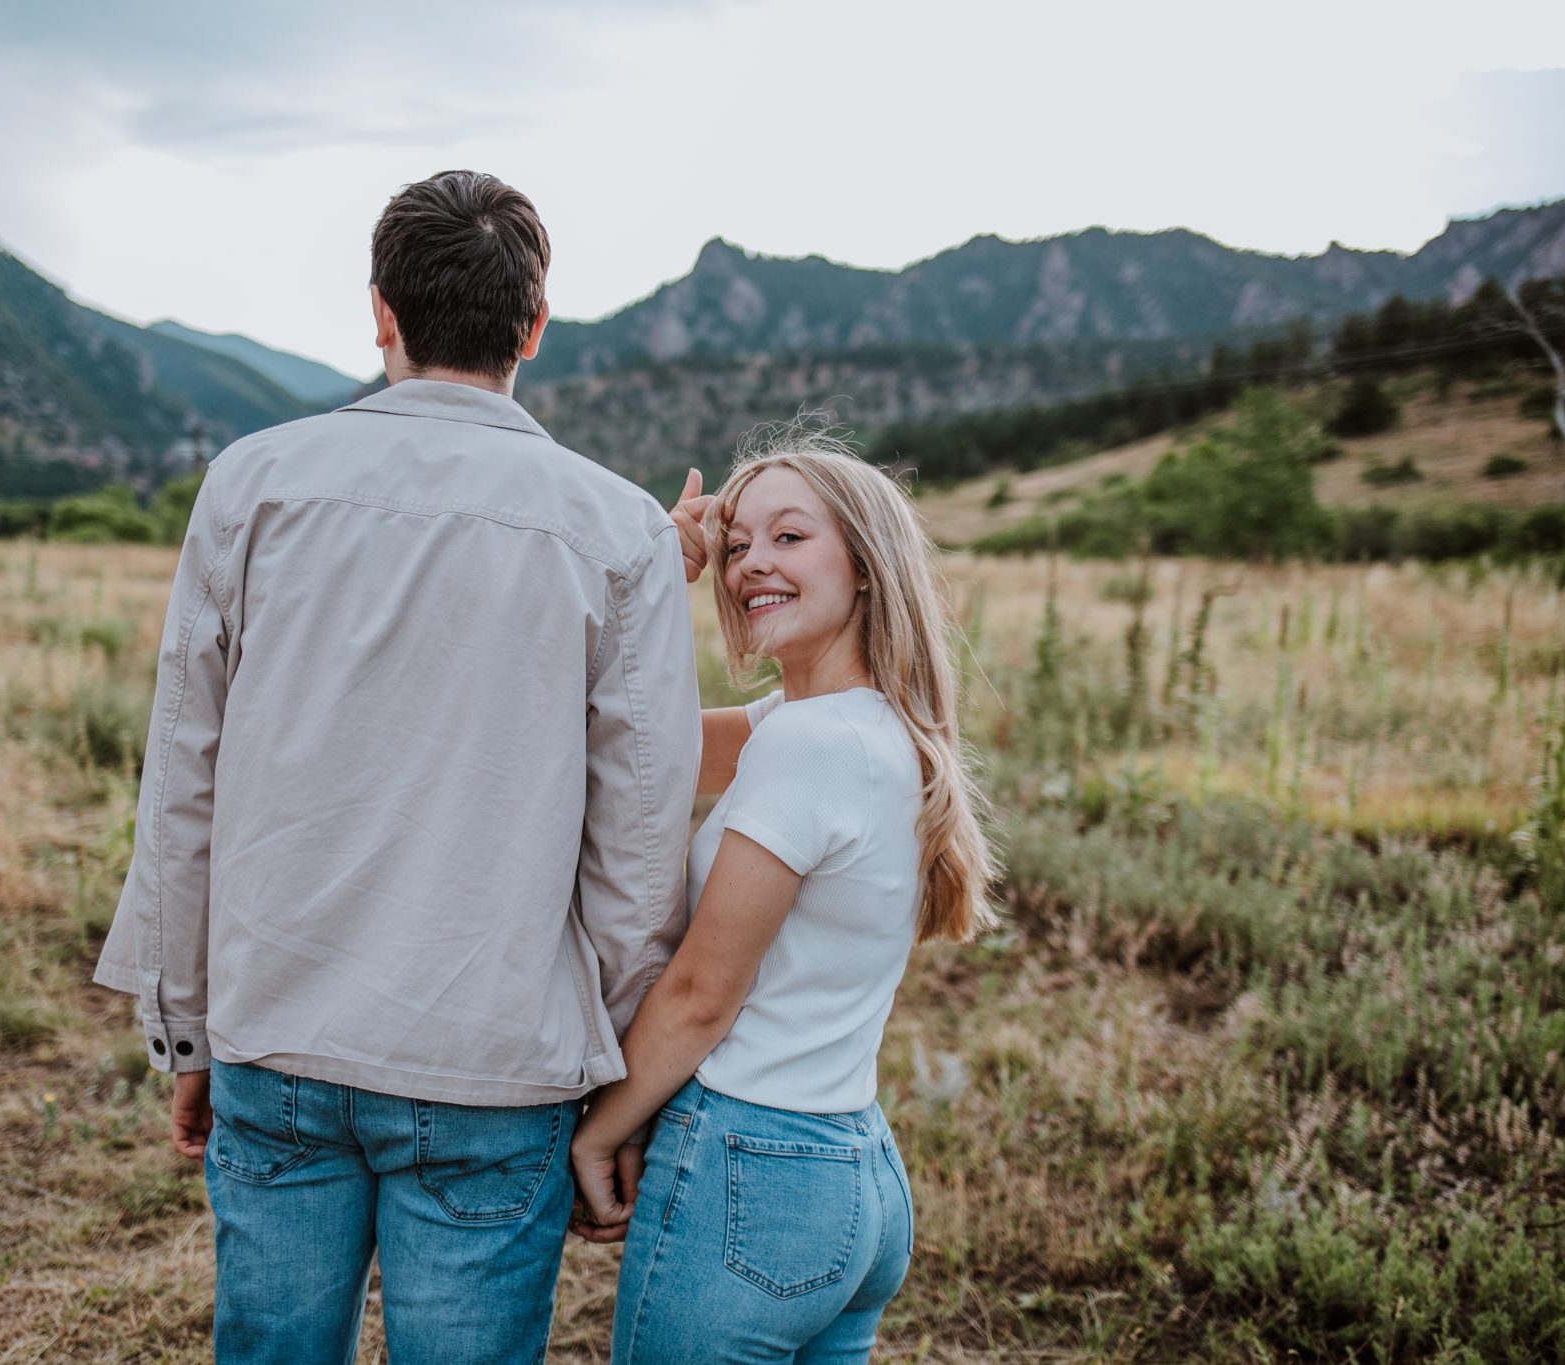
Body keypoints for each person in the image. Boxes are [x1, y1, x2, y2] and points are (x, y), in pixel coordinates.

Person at [90, 170, 700, 1365]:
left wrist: (187, 1026)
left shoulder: (249, 486)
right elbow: (637, 839)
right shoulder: (618, 529)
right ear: (533, 325)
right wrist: (624, 1086)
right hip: (494, 1062)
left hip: (277, 1036)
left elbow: (184, 779)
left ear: (379, 313)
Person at [569, 432, 996, 1363]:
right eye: (736, 544)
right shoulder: (851, 724)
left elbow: (700, 995)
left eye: (791, 536)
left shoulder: (810, 746)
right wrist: (656, 571)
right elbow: (627, 741)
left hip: (748, 1169)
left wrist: (597, 1132)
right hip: (856, 1173)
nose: (751, 561)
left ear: (867, 567)